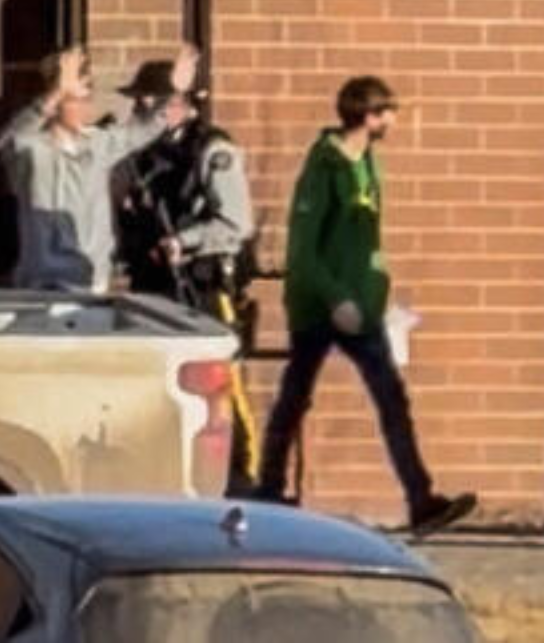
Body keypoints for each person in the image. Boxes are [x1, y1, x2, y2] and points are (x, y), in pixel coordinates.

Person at [255, 75, 476, 535]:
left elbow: (363, 240)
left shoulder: (367, 163)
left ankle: (422, 500)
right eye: (387, 112)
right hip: (321, 307)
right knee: (296, 395)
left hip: (362, 307)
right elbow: (304, 251)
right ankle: (267, 490)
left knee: (391, 398)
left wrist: (374, 293)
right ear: (368, 116)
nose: (393, 120)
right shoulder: (324, 167)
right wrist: (336, 298)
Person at [115, 61, 261, 496]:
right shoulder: (142, 155)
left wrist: (185, 241)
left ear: (180, 104)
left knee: (222, 386)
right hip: (154, 284)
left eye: (150, 98)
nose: (140, 106)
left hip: (201, 286)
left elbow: (236, 223)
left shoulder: (212, 150)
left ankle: (242, 481)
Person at [4, 45, 195, 292]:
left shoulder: (98, 144)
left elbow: (144, 129)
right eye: (75, 100)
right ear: (56, 104)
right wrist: (55, 93)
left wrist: (172, 90)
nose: (84, 108)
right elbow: (13, 137)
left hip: (91, 283)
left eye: (87, 99)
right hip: (43, 285)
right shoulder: (31, 149)